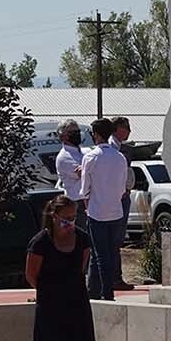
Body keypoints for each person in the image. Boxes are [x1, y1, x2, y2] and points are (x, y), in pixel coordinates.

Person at [25, 194, 96, 341]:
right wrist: (50, 291)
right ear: (54, 216)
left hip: (77, 304)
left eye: (73, 218)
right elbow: (31, 275)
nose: (70, 222)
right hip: (50, 306)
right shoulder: (40, 243)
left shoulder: (83, 239)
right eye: (66, 218)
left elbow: (81, 268)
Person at [79, 117, 129, 301]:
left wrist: (88, 208)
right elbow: (122, 188)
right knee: (111, 252)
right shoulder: (119, 157)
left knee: (100, 255)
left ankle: (105, 293)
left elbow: (85, 190)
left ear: (97, 135)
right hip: (116, 211)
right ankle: (101, 290)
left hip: (97, 212)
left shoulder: (90, 157)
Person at [110, 116, 136, 290]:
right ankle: (114, 278)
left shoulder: (119, 147)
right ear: (117, 128)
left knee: (117, 240)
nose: (128, 131)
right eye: (125, 127)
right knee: (114, 239)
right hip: (117, 198)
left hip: (122, 196)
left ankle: (115, 277)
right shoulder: (112, 148)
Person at [54, 119, 87, 227]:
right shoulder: (64, 157)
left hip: (87, 200)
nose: (77, 135)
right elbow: (82, 174)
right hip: (76, 202)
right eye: (72, 133)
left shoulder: (83, 152)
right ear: (63, 136)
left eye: (77, 132)